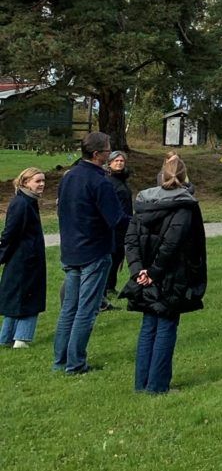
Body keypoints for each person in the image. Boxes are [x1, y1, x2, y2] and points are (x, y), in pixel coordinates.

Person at [121, 156, 207, 394]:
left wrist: (139, 269)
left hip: (149, 272)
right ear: (185, 176)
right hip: (169, 274)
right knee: (165, 325)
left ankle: (143, 383)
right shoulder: (183, 206)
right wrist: (149, 272)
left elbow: (131, 239)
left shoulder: (144, 200)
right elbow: (172, 243)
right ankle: (156, 386)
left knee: (149, 325)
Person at [53, 131, 128, 374]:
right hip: (94, 252)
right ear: (97, 154)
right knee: (86, 309)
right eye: (107, 151)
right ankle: (75, 364)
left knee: (69, 309)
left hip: (71, 249)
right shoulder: (100, 181)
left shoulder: (69, 176)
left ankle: (61, 361)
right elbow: (116, 220)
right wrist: (143, 221)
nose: (110, 154)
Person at [0, 168, 47, 348]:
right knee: (29, 297)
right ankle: (22, 338)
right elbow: (10, 233)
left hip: (24, 258)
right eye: (37, 181)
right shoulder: (22, 203)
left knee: (15, 297)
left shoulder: (27, 201)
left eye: (43, 181)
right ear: (25, 182)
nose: (42, 184)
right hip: (25, 260)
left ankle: (6, 338)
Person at [103, 150, 133, 308]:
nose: (119, 163)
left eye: (121, 161)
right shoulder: (108, 181)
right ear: (110, 163)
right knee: (112, 255)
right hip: (115, 223)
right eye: (116, 161)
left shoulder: (123, 180)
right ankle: (106, 286)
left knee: (119, 255)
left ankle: (111, 285)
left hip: (125, 222)